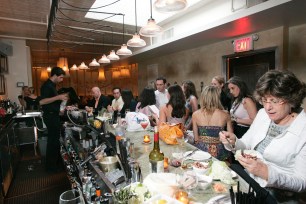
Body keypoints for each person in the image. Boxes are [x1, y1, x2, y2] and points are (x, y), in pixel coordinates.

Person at [220, 70, 306, 203]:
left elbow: (302, 182)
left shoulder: (303, 128)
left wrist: (267, 173)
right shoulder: (262, 115)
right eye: (264, 100)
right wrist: (233, 142)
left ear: (291, 99)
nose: (267, 107)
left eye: (275, 101)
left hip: (279, 197)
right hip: (252, 183)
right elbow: (246, 144)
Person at [192, 86, 233, 161]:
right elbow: (231, 137)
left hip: (202, 152)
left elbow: (196, 139)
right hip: (221, 152)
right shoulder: (225, 114)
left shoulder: (195, 114)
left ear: (203, 97)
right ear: (217, 97)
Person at [39, 67, 68, 173]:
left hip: (54, 115)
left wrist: (62, 107)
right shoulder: (47, 86)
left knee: (55, 141)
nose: (61, 80)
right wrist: (58, 97)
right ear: (54, 75)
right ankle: (51, 167)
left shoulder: (53, 85)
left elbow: (53, 103)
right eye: (60, 77)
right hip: (50, 117)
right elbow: (42, 102)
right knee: (53, 142)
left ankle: (54, 164)